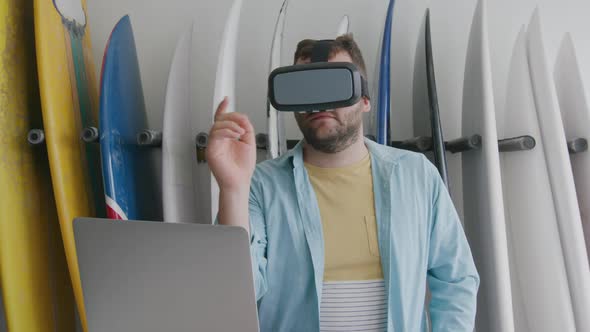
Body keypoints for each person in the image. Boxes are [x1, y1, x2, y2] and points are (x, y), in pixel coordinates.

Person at [207, 34, 479, 332]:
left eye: (334, 86)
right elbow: (236, 292)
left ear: (364, 99)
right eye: (306, 88)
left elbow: (455, 278)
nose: (320, 102)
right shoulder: (259, 185)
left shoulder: (416, 175)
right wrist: (232, 188)